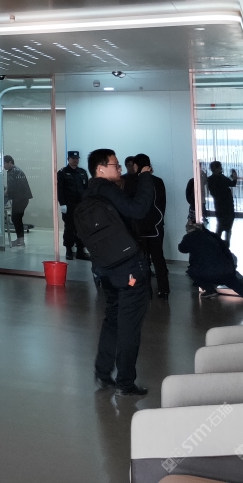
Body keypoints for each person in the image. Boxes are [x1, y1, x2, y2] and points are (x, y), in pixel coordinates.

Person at [79, 148, 155, 396]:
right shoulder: (108, 189)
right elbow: (138, 209)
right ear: (100, 169)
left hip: (105, 270)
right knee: (129, 325)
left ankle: (103, 373)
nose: (120, 169)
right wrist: (145, 178)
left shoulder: (88, 192)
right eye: (116, 165)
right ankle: (125, 382)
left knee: (112, 320)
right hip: (129, 270)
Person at [178, 221, 243, 302]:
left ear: (188, 229)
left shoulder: (189, 237)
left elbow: (182, 249)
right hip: (226, 269)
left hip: (207, 272)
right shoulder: (212, 235)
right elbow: (226, 250)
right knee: (232, 282)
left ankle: (210, 290)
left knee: (191, 271)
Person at [132, 153, 168, 298]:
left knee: (143, 260)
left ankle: (146, 290)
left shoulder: (133, 182)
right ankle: (164, 290)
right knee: (158, 258)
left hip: (139, 227)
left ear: (137, 165)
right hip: (156, 226)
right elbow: (163, 204)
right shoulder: (158, 181)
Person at [57, 150, 90, 260]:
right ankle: (69, 250)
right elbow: (59, 190)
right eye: (73, 158)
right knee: (69, 228)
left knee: (81, 228)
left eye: (77, 158)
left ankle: (80, 251)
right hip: (69, 206)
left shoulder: (82, 172)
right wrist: (62, 204)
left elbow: (86, 189)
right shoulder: (62, 172)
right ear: (68, 159)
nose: (75, 160)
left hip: (81, 205)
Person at [3, 155, 32, 248]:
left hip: (20, 199)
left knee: (16, 219)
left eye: (4, 163)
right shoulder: (14, 171)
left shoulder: (14, 172)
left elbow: (11, 188)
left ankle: (20, 241)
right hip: (21, 199)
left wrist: (4, 196)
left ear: (10, 163)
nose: (3, 166)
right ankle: (20, 240)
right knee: (16, 219)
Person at [207, 161, 238, 243]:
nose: (221, 169)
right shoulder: (221, 178)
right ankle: (226, 244)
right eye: (220, 167)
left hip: (220, 206)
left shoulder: (211, 179)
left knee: (220, 227)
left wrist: (233, 178)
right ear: (216, 168)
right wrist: (234, 178)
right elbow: (231, 183)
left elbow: (229, 183)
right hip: (226, 206)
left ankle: (218, 244)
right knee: (227, 227)